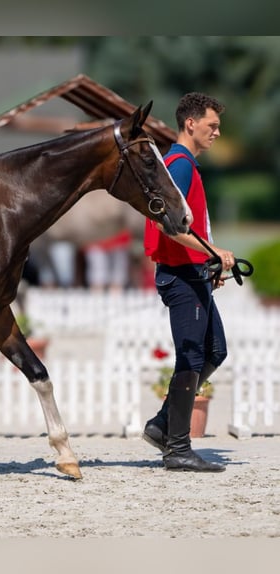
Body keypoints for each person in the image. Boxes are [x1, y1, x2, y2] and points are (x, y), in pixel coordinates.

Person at [142, 92, 233, 472]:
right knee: (193, 354)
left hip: (191, 272)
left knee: (214, 350)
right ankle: (177, 448)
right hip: (180, 276)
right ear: (190, 123)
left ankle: (164, 426)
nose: (216, 132)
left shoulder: (184, 164)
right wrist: (212, 250)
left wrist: (207, 261)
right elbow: (168, 224)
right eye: (212, 125)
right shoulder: (178, 165)